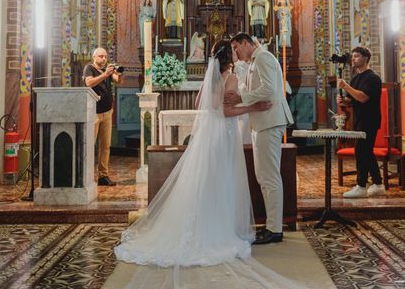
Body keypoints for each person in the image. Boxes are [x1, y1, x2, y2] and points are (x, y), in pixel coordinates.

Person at [114, 40, 275, 272]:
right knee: (223, 179)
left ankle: (203, 223)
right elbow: (228, 111)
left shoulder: (212, 77)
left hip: (211, 134)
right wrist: (254, 107)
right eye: (233, 51)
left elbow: (201, 103)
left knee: (207, 179)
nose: (236, 53)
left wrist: (220, 107)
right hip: (224, 135)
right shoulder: (230, 77)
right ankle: (220, 228)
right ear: (228, 56)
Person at [225, 32, 294, 245]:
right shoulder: (253, 62)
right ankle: (271, 225)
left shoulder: (264, 57)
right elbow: (251, 88)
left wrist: (241, 97)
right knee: (263, 176)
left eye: (236, 48)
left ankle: (275, 229)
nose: (235, 53)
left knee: (269, 176)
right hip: (261, 122)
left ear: (246, 43)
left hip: (269, 121)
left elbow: (269, 88)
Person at [336, 46, 385, 198]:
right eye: (353, 56)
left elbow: (363, 97)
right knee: (366, 152)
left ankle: (361, 186)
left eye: (357, 56)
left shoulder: (373, 78)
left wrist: (346, 86)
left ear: (365, 58)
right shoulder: (356, 78)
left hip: (369, 120)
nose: (353, 59)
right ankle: (378, 184)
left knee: (362, 151)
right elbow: (353, 100)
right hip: (359, 120)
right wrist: (343, 100)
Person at [83, 47, 123, 186]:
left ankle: (103, 176)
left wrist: (119, 73)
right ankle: (86, 175)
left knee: (105, 146)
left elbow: (118, 80)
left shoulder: (107, 71)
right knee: (90, 145)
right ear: (94, 57)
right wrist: (105, 74)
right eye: (101, 56)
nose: (104, 59)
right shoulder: (89, 68)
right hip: (94, 112)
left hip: (107, 112)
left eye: (105, 56)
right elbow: (89, 83)